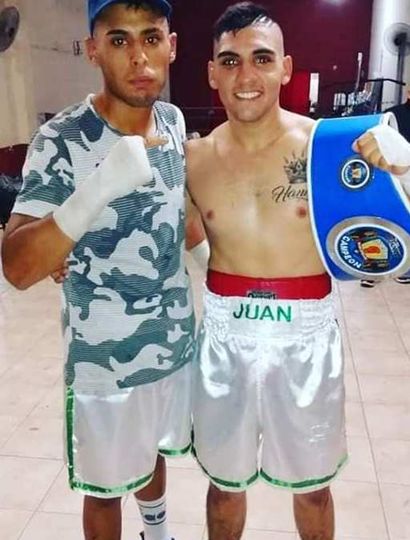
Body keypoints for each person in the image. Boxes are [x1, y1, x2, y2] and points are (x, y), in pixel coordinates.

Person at [185, 3, 410, 539]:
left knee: (312, 489)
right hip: (224, 336)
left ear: (285, 67)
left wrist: (404, 169)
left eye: (261, 59)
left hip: (305, 337)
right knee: (223, 485)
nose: (246, 76)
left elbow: (392, 235)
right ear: (212, 72)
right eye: (230, 60)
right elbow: (170, 234)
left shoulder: (329, 146)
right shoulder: (192, 158)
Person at [1, 1, 195, 540]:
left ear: (171, 46)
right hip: (104, 362)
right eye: (118, 40)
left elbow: (186, 223)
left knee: (153, 452)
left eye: (151, 38)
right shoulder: (60, 140)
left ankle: (157, 535)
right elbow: (17, 268)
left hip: (174, 341)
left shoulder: (174, 122)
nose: (139, 57)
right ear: (93, 50)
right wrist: (97, 188)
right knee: (104, 489)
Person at [360, 84, 410, 288]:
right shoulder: (392, 115)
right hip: (391, 176)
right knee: (382, 221)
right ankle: (374, 268)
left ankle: (406, 267)